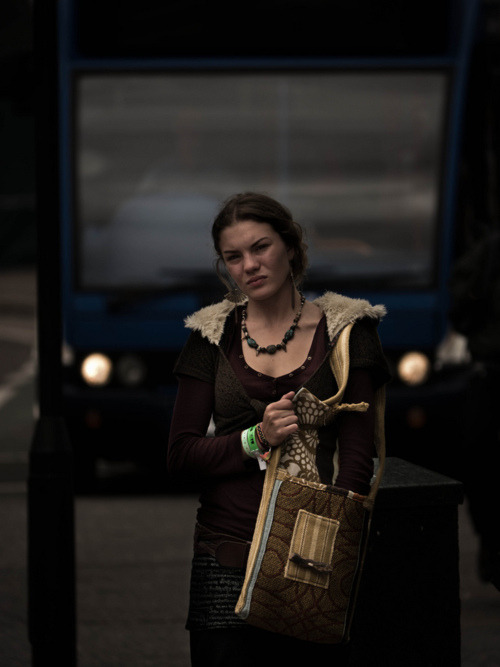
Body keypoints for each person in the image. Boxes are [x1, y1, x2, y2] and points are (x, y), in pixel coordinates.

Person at [167, 192, 390, 665]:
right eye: (234, 256)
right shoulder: (210, 335)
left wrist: (329, 545)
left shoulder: (348, 331)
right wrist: (256, 439)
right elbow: (181, 455)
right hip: (225, 554)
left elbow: (357, 459)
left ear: (290, 245)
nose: (249, 264)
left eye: (261, 247)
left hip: (312, 555)